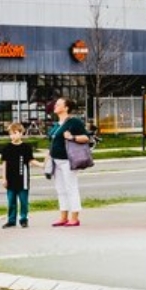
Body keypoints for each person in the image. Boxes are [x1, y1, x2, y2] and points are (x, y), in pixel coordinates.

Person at [47, 96, 91, 227]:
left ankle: (75, 217)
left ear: (66, 108)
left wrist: (72, 137)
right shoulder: (56, 124)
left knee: (71, 187)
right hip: (56, 161)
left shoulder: (74, 122)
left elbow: (86, 138)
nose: (55, 106)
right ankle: (63, 216)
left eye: (58, 104)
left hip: (68, 160)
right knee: (60, 189)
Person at [0, 122, 33, 228]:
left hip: (23, 180)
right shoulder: (7, 148)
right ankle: (11, 220)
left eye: (15, 133)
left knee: (23, 201)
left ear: (21, 133)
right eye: (11, 134)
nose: (13, 136)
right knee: (11, 202)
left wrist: (42, 165)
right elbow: (4, 164)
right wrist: (4, 178)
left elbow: (31, 160)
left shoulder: (26, 147)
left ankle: (23, 219)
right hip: (11, 179)